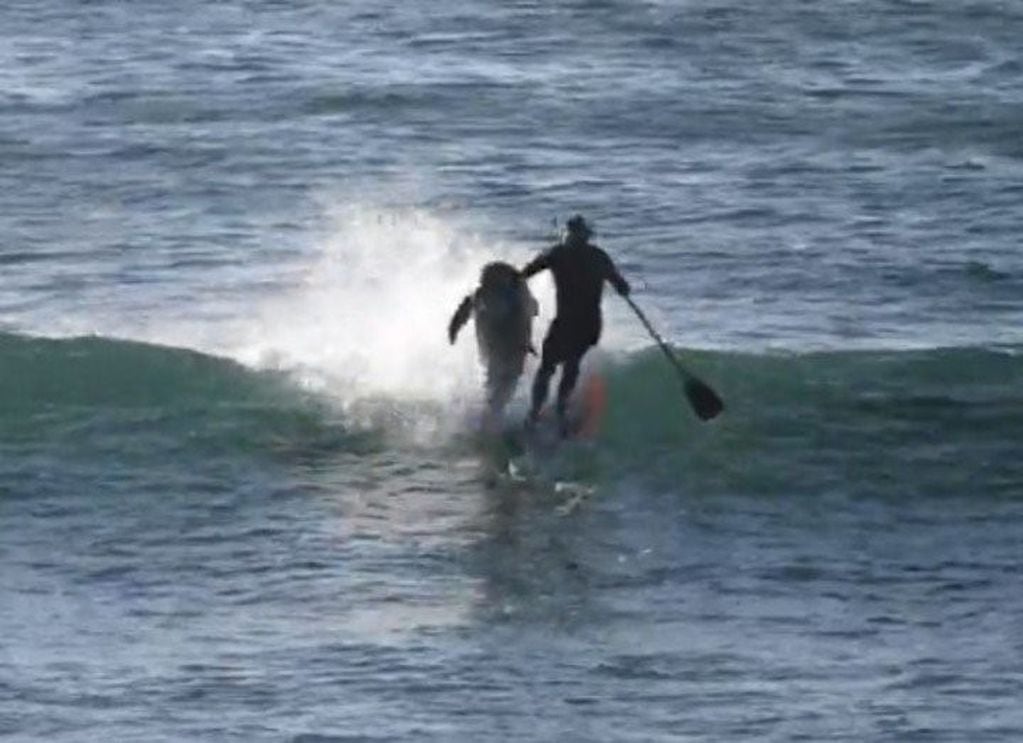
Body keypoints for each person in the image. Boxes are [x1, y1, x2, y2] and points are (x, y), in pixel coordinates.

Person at [520, 215, 630, 435]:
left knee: (548, 368)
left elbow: (524, 274)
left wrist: (510, 283)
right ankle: (560, 411)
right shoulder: (598, 256)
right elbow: (622, 285)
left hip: (568, 322)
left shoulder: (557, 253)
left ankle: (536, 414)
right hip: (590, 324)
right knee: (571, 364)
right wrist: (621, 288)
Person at [448, 261, 538, 427]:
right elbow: (460, 315)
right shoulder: (481, 294)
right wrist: (453, 330)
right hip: (498, 347)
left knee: (502, 383)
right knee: (498, 382)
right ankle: (492, 416)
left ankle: (493, 414)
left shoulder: (510, 294)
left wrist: (453, 331)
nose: (484, 282)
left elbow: (530, 312)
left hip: (510, 347)